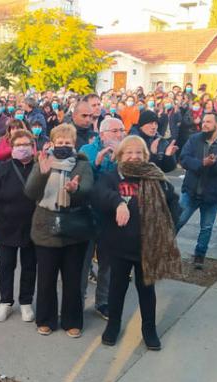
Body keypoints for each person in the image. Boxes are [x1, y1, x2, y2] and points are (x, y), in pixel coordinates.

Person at [92, 135, 181, 348]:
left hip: (147, 248)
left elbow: (174, 207)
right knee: (117, 288)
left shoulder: (155, 177)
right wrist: (117, 203)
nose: (134, 156)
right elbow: (99, 195)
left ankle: (149, 329)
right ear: (121, 155)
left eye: (138, 152)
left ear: (145, 155)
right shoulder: (111, 177)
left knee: (146, 291)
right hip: (118, 246)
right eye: (129, 152)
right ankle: (113, 325)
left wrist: (167, 233)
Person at [24, 123, 94, 338]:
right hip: (46, 226)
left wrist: (75, 190)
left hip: (74, 228)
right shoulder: (43, 161)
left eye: (68, 142)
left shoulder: (82, 165)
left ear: (74, 144)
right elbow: (30, 192)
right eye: (60, 142)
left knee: (72, 279)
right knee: (46, 278)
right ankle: (46, 319)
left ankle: (72, 320)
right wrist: (42, 174)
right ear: (52, 143)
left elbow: (88, 190)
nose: (63, 145)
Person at [0, 129, 38, 322]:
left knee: (29, 266)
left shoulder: (40, 168)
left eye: (26, 144)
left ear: (33, 147)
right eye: (18, 145)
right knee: (6, 265)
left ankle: (26, 302)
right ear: (12, 147)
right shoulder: (1, 170)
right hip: (6, 226)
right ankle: (5, 301)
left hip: (33, 228)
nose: (22, 148)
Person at [176, 113, 217, 269]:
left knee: (206, 227)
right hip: (191, 191)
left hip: (212, 194)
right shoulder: (194, 139)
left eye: (208, 122)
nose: (204, 124)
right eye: (203, 121)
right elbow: (183, 159)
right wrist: (201, 163)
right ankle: (162, 252)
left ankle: (199, 256)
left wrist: (215, 164)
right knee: (176, 221)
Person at [78, 116, 125, 319]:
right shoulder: (87, 151)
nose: (119, 134)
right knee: (83, 262)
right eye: (115, 131)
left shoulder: (125, 152)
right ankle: (77, 302)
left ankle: (103, 301)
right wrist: (96, 163)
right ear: (102, 134)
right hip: (88, 215)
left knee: (107, 263)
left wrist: (120, 162)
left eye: (121, 130)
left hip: (110, 217)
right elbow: (81, 181)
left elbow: (127, 182)